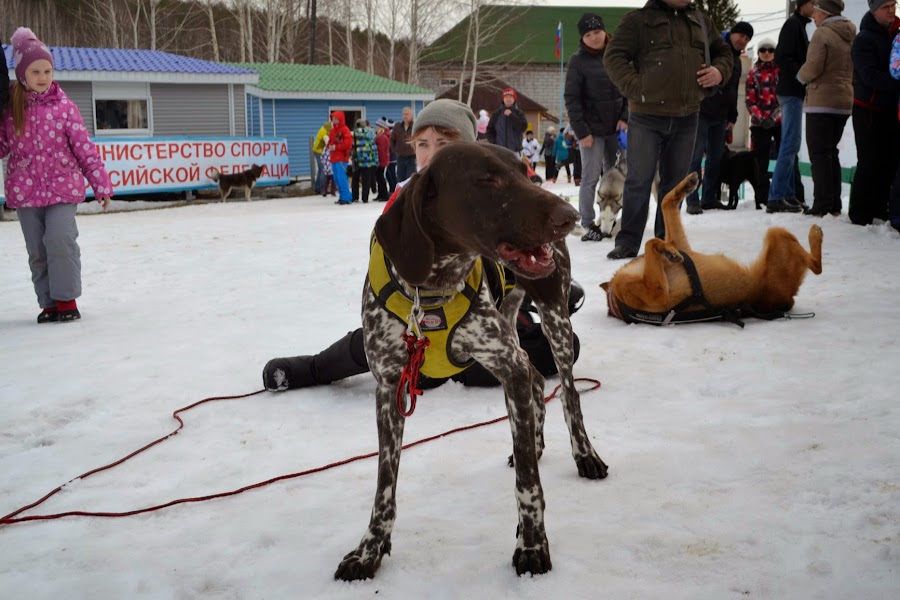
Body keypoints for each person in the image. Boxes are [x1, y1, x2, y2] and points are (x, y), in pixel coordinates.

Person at [262, 99, 585, 392]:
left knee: (530, 344)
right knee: (371, 343)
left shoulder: (493, 198)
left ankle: (536, 306)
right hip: (413, 314)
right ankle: (315, 368)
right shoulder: (405, 197)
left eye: (444, 144)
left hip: (476, 311)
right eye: (423, 145)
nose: (431, 155)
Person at [603, 0, 733, 259]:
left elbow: (724, 53)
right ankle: (627, 241)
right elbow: (613, 56)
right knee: (639, 180)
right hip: (646, 116)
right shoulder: (638, 20)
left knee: (675, 184)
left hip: (688, 115)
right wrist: (635, 87)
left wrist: (719, 71)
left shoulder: (701, 20)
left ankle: (667, 240)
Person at [0, 27, 113, 323]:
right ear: (22, 74)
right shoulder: (11, 110)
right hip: (25, 191)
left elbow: (84, 149)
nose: (42, 76)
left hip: (62, 189)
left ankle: (66, 301)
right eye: (35, 71)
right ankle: (48, 303)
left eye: (47, 70)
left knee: (60, 240)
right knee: (37, 250)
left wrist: (100, 184)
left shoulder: (64, 108)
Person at [564, 12, 628, 241]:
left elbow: (628, 88)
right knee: (590, 178)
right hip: (591, 132)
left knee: (618, 175)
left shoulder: (618, 55)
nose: (593, 37)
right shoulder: (577, 61)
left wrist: (625, 117)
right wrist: (582, 131)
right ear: (582, 38)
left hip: (616, 129)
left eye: (597, 32)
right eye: (588, 34)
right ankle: (589, 221)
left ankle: (615, 218)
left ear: (604, 32)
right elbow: (572, 98)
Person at [686, 21, 753, 215]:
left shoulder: (738, 62)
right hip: (701, 112)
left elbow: (733, 91)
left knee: (716, 158)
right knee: (695, 158)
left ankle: (708, 198)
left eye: (747, 39)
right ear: (732, 33)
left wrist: (732, 116)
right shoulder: (712, 51)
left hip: (721, 117)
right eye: (740, 35)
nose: (743, 40)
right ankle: (692, 200)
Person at [797, 0, 855, 217]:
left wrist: (798, 77)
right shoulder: (850, 34)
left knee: (819, 153)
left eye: (817, 13)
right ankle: (834, 204)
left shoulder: (822, 34)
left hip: (821, 101)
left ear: (825, 13)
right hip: (843, 102)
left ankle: (822, 204)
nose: (814, 17)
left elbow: (813, 66)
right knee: (831, 152)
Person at [850, 0, 900, 226]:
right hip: (868, 109)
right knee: (869, 162)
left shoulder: (896, 35)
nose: (891, 10)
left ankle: (880, 212)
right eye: (885, 6)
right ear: (873, 10)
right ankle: (860, 214)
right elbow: (868, 75)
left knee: (889, 162)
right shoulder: (864, 39)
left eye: (894, 4)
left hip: (892, 109)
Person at [767, 0, 817, 213]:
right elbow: (781, 56)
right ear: (802, 4)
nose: (816, 7)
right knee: (789, 144)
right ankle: (776, 196)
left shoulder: (800, 25)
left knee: (791, 144)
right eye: (813, 2)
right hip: (790, 91)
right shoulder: (793, 25)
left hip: (793, 91)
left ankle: (787, 194)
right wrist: (801, 75)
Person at [487, 87, 527, 152]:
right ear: (503, 99)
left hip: (515, 151)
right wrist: (494, 143)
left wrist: (512, 116)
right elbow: (490, 129)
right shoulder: (496, 114)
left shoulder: (519, 113)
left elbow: (523, 127)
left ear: (514, 99)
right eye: (506, 97)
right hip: (499, 151)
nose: (508, 99)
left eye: (510, 97)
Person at [327, 111, 353, 204]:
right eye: (332, 118)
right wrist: (329, 146)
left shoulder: (345, 130)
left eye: (335, 118)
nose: (333, 120)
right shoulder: (332, 131)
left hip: (342, 158)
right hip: (334, 157)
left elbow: (348, 143)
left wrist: (336, 147)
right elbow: (329, 142)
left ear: (340, 119)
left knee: (341, 178)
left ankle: (346, 197)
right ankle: (344, 196)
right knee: (337, 179)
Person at [391, 106, 416, 183]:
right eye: (403, 114)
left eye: (407, 114)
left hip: (412, 157)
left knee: (410, 180)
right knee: (400, 179)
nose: (405, 116)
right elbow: (392, 140)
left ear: (412, 115)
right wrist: (396, 150)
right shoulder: (397, 126)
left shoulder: (415, 126)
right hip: (401, 157)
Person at [311, 119, 332, 194]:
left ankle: (317, 187)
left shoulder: (323, 129)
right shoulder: (324, 132)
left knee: (320, 169)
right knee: (323, 169)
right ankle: (322, 188)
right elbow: (328, 143)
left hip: (317, 150)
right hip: (319, 151)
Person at [374, 118, 391, 201]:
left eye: (377, 126)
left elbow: (382, 150)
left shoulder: (382, 137)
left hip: (382, 161)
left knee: (381, 178)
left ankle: (384, 194)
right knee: (379, 177)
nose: (376, 127)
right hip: (381, 160)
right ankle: (381, 194)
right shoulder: (381, 136)